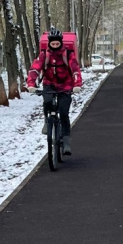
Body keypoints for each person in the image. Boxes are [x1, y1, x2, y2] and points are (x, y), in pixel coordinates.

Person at [27, 27, 82, 155]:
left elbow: (75, 69)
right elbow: (35, 69)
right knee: (47, 101)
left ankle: (66, 141)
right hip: (49, 84)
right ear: (49, 44)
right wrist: (31, 84)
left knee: (63, 113)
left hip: (66, 86)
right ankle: (47, 120)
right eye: (53, 44)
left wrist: (77, 84)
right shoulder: (44, 55)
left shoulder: (68, 54)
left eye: (58, 43)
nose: (55, 46)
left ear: (61, 43)